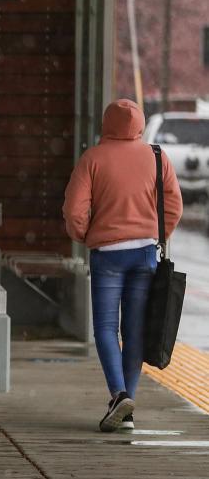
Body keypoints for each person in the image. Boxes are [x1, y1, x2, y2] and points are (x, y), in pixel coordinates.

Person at [63, 98, 183, 433]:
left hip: (108, 254)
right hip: (144, 253)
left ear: (107, 123)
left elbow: (74, 210)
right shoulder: (157, 157)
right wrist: (159, 234)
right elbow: (173, 204)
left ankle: (118, 395)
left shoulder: (93, 159)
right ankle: (127, 409)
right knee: (134, 333)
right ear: (140, 125)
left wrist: (87, 235)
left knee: (104, 328)